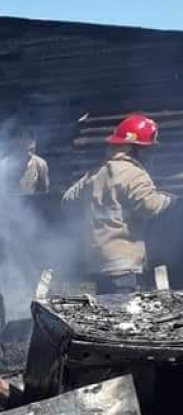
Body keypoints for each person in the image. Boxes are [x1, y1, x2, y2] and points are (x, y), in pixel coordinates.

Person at [62, 114, 176, 295]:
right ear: (134, 149)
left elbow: (67, 200)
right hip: (123, 267)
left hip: (96, 265)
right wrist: (171, 200)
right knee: (123, 319)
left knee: (104, 318)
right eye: (148, 150)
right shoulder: (134, 174)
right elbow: (150, 205)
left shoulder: (95, 174)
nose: (150, 155)